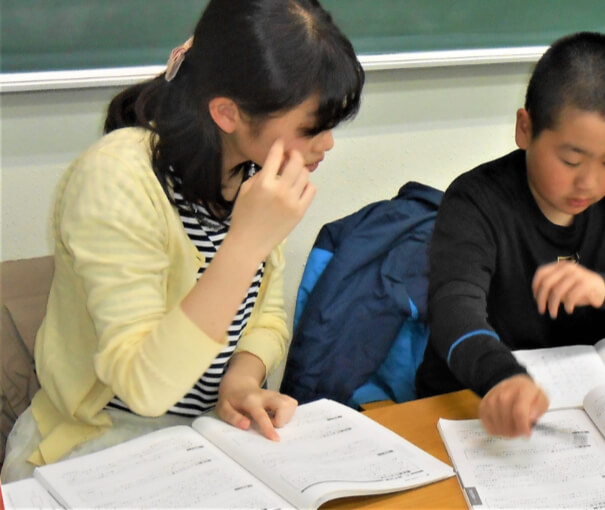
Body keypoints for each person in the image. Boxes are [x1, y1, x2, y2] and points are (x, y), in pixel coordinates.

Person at [1, 0, 364, 482]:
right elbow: (145, 386)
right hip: (94, 446)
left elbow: (267, 316)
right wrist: (244, 244)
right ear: (227, 113)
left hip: (203, 438)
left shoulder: (253, 171)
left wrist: (241, 377)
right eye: (311, 128)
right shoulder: (116, 179)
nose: (327, 145)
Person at [415, 31, 605, 439]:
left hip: (584, 417)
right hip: (476, 409)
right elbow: (453, 312)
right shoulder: (476, 201)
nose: (589, 183)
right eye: (570, 159)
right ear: (525, 129)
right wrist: (503, 378)